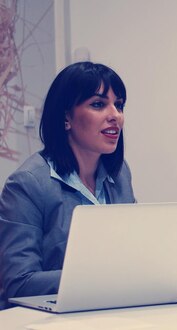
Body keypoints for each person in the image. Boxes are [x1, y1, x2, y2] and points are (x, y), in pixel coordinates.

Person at [0, 62, 136, 310]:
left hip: (109, 310)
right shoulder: (26, 184)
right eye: (98, 104)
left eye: (119, 105)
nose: (115, 115)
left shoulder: (120, 173)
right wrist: (101, 277)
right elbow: (19, 283)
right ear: (66, 117)